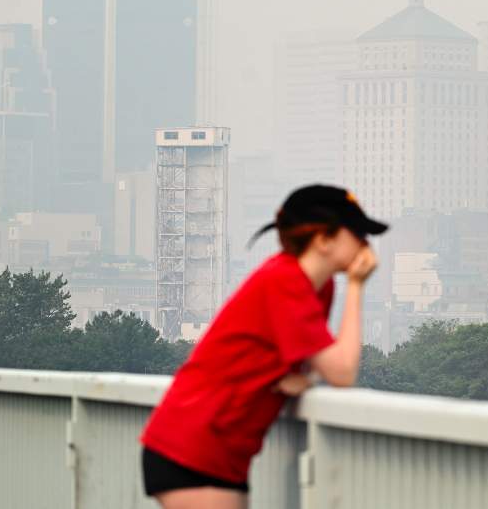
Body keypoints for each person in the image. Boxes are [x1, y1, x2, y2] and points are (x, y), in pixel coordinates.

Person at [139, 185, 387, 508]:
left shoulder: (317, 288)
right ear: (324, 240)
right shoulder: (285, 281)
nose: (366, 243)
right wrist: (356, 286)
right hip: (194, 446)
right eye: (357, 233)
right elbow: (341, 371)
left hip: (225, 451)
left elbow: (304, 357)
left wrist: (285, 376)